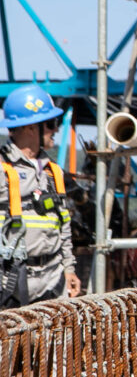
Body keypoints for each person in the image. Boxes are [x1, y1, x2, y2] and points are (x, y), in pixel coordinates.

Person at [0, 84, 79, 306]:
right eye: (51, 124)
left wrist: (69, 269)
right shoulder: (2, 169)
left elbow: (63, 224)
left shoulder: (53, 171)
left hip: (53, 280)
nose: (55, 130)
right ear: (30, 128)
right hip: (11, 281)